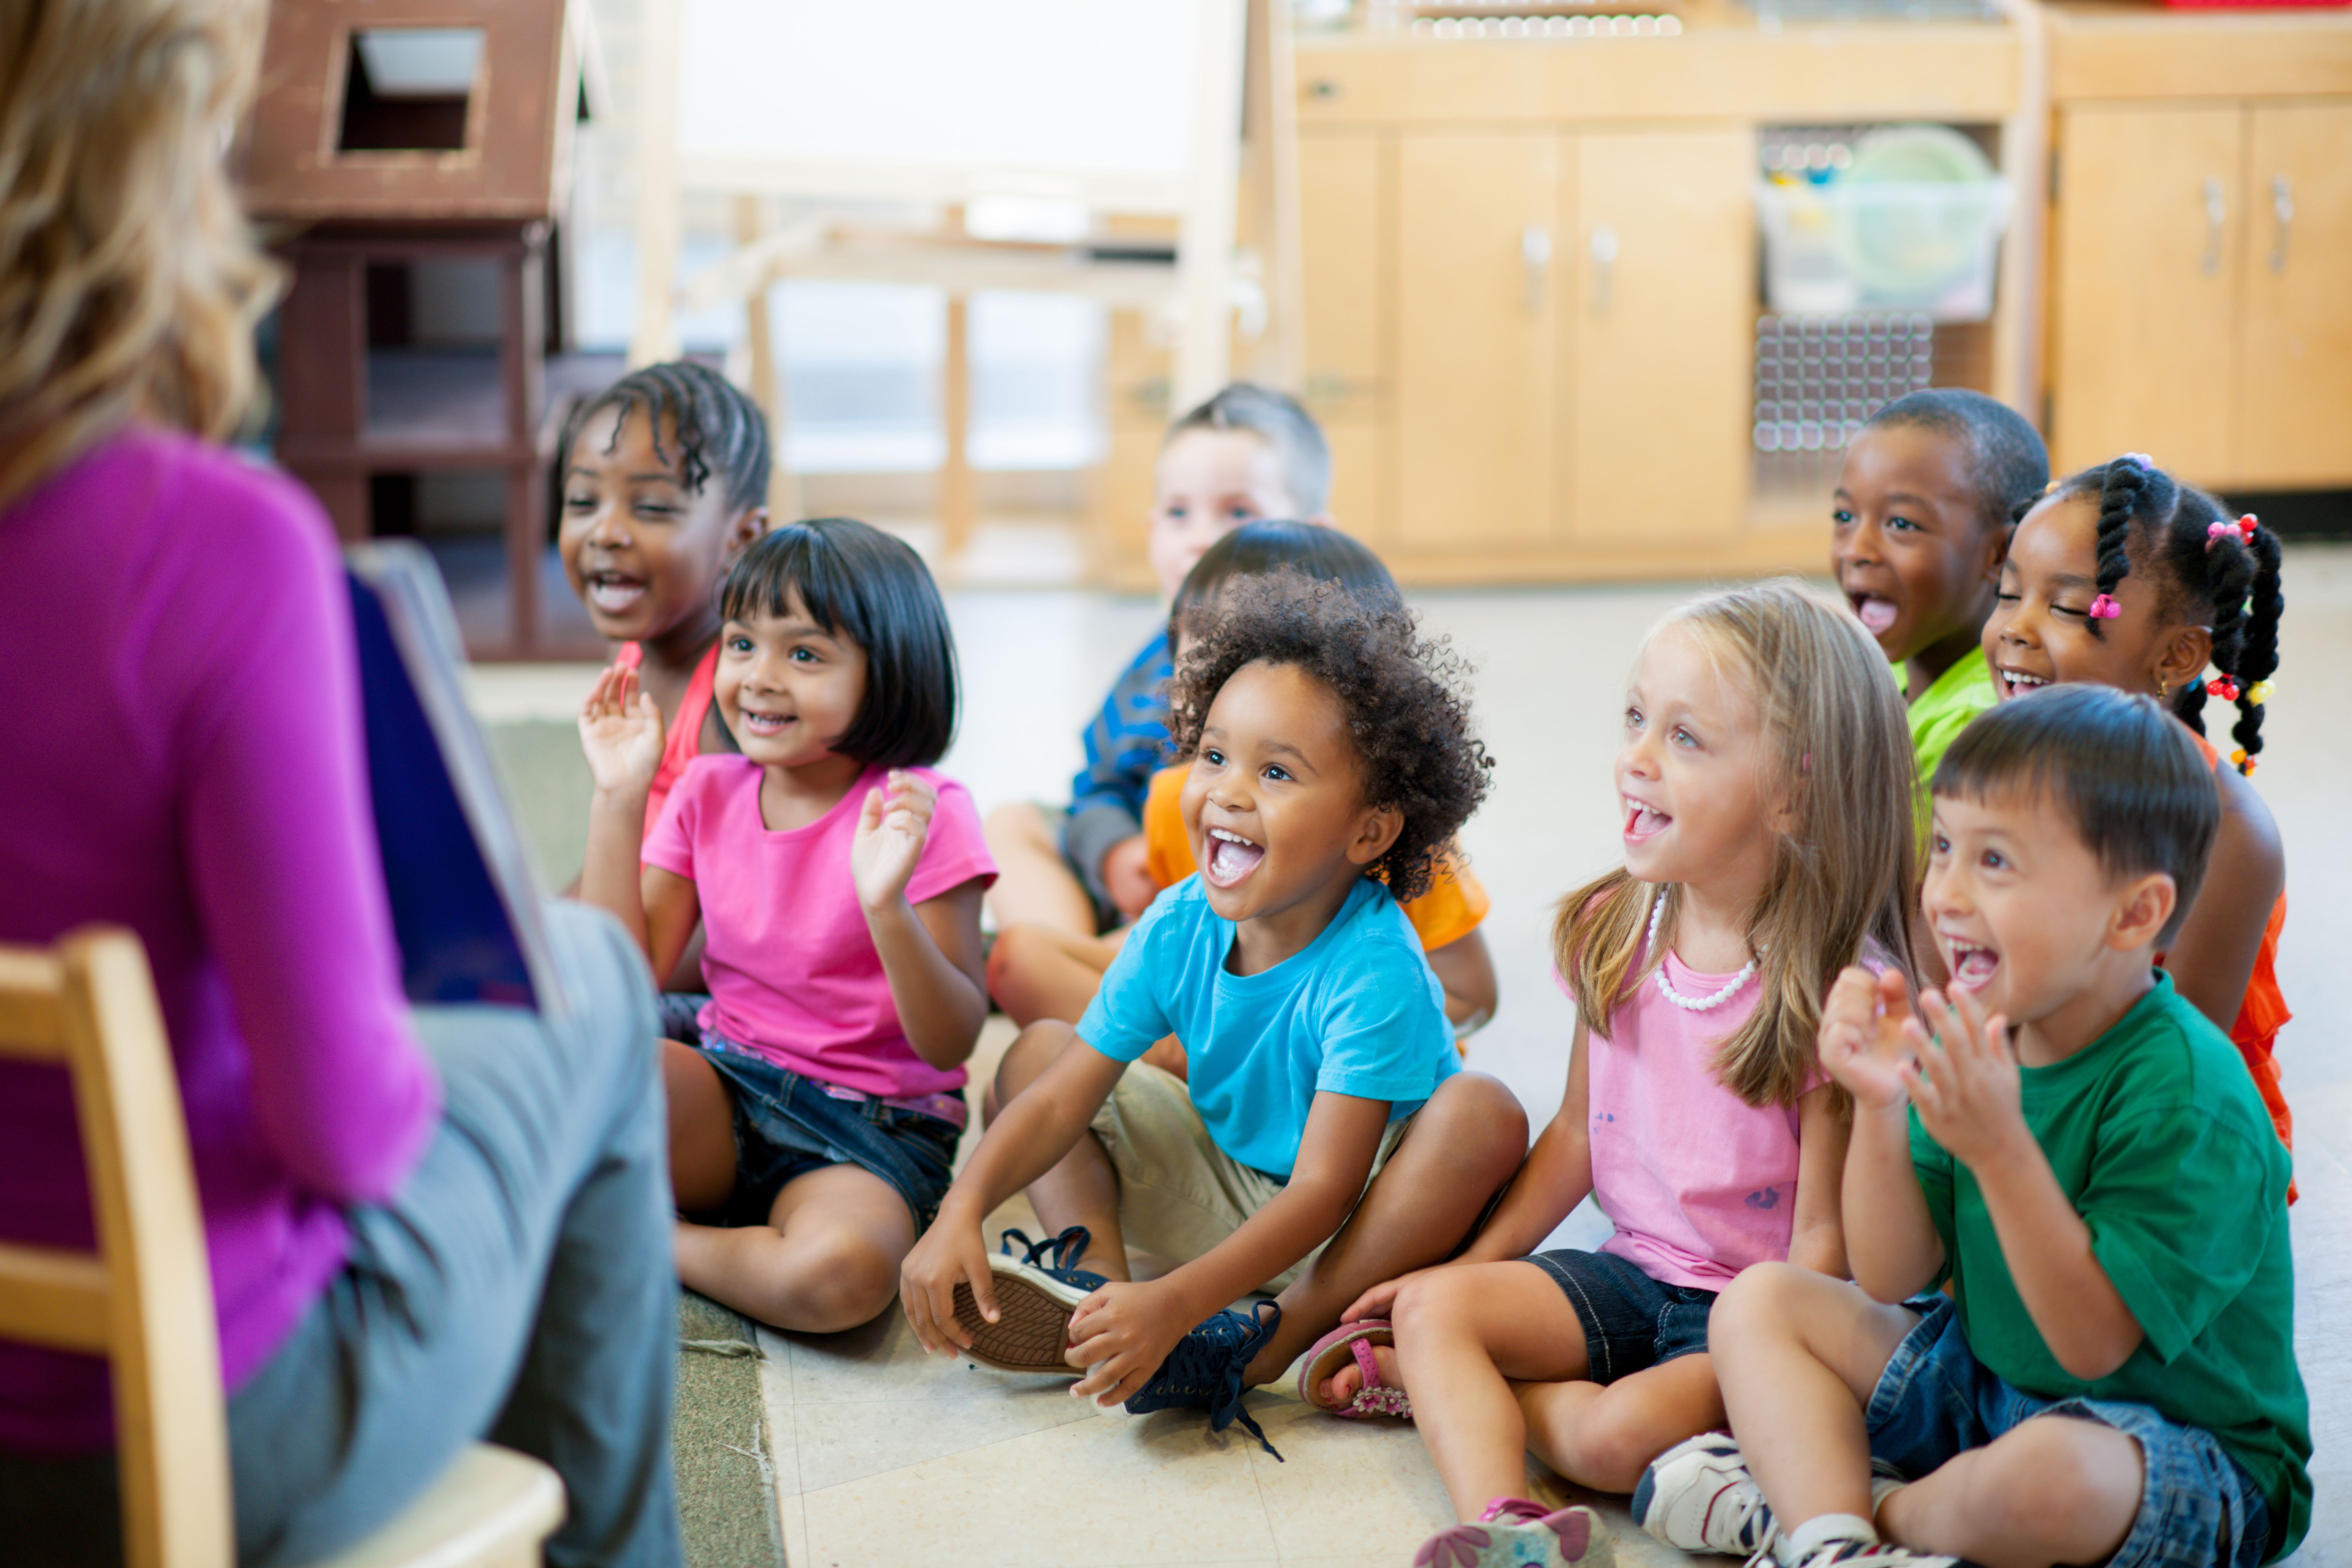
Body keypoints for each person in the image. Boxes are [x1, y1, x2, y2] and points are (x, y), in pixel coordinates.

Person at [0, 4, 680, 1564]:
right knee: (580, 977)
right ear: (155, 157)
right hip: (180, 1429)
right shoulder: (209, 550)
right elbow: (348, 1134)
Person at [1313, 583, 1916, 1568]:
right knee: (1432, 1308)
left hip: (1745, 1314)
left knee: (1609, 1439)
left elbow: (1822, 1242)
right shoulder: (1619, 927)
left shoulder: (1839, 987)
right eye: (1637, 719)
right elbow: (1573, 1142)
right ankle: (1507, 1525)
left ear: (1793, 791)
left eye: (1687, 739)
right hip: (1631, 1269)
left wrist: (1784, 1375)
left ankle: (1445, 1390)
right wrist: (1468, 1274)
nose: (1635, 759)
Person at [1639, 686, 2308, 1568]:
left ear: (2134, 914)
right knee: (1762, 1302)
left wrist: (2000, 1148)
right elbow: (1891, 1273)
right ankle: (1833, 1543)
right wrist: (1882, 1102)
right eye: (1945, 845)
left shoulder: (2188, 1096)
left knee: (2048, 1482)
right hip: (1991, 1388)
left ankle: (1871, 1510)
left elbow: (2093, 1343)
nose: (1945, 893)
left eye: (1996, 863)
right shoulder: (1980, 1026)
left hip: (2176, 1451)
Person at [900, 569, 1527, 1463]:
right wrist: (960, 1208)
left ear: (1369, 833)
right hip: (1225, 1184)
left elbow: (1323, 1193)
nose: (1228, 792)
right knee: (1037, 1058)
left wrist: (1185, 1298)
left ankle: (1267, 1337)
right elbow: (1055, 1103)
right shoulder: (1178, 921)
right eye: (1215, 757)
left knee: (1483, 1111)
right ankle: (1101, 1305)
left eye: (1276, 771)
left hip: (1358, 1226)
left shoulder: (1374, 967)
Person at [577, 519, 995, 1334]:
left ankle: (648, 1237)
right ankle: (693, 1224)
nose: (760, 678)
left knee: (839, 1278)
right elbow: (618, 985)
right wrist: (619, 798)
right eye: (741, 644)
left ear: (889, 672)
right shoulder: (709, 789)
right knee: (568, 1056)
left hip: (867, 1131)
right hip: (726, 1083)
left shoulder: (925, 811)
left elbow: (950, 1040)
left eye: (804, 654)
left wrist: (887, 907)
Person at [987, 521, 1497, 1042]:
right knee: (1023, 959)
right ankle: (1176, 1070)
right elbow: (1177, 948)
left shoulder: (1397, 836)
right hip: (1212, 1043)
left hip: (1341, 1078)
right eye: (1203, 647)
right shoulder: (1178, 799)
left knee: (1474, 1109)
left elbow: (1472, 997)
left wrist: (1333, 1031)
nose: (1235, 681)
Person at [1982, 455, 2292, 1169]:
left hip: (2166, 1149)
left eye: (2065, 608)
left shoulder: (2226, 831)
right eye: (2004, 594)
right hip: (2028, 1092)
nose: (2014, 629)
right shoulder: (1997, 768)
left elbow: (2178, 1073)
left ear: (2175, 656)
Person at [983, 384, 1335, 940]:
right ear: (1152, 533)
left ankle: (1079, 977)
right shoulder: (1151, 668)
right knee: (1013, 824)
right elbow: (1098, 784)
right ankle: (1061, 955)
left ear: (1312, 540)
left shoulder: (1322, 677)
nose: (1200, 539)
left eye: (1238, 512)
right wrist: (1114, 851)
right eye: (1178, 513)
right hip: (1146, 892)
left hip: (1248, 902)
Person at [555, 361, 771, 839]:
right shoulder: (628, 654)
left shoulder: (732, 704)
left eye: (651, 507)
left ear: (743, 537)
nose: (605, 533)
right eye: (583, 502)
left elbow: (720, 903)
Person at [1830, 389, 2049, 835]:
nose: (1857, 550)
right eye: (1845, 516)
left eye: (1901, 524)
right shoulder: (1885, 673)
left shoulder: (1978, 729)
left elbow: (1887, 890)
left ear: (1999, 554)